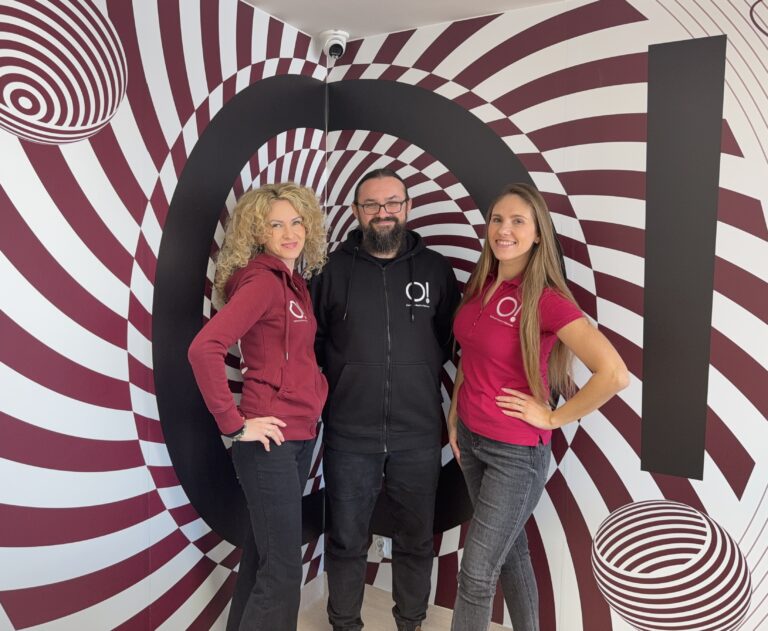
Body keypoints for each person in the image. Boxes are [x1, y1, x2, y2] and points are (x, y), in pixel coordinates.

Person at [448, 183, 629, 631]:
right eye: (497, 220)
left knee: (475, 572)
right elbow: (471, 354)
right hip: (470, 438)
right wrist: (454, 413)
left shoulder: (546, 299)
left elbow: (613, 373)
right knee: (510, 553)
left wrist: (551, 417)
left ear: (537, 235)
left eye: (517, 221)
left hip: (514, 453)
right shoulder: (482, 283)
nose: (503, 230)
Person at [311, 168, 461, 631]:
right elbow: (314, 345)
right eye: (372, 204)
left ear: (408, 207)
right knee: (346, 539)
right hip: (348, 432)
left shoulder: (436, 270)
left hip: (418, 433)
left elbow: (448, 341)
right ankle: (344, 625)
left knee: (415, 541)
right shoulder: (330, 271)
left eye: (392, 202)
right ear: (357, 212)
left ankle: (410, 623)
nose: (383, 212)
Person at [187, 183, 329, 631]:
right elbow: (204, 348)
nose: (290, 233)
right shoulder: (263, 282)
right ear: (258, 233)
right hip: (270, 443)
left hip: (299, 435)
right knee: (283, 573)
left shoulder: (295, 285)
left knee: (264, 562)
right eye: (275, 225)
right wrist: (234, 425)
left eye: (296, 222)